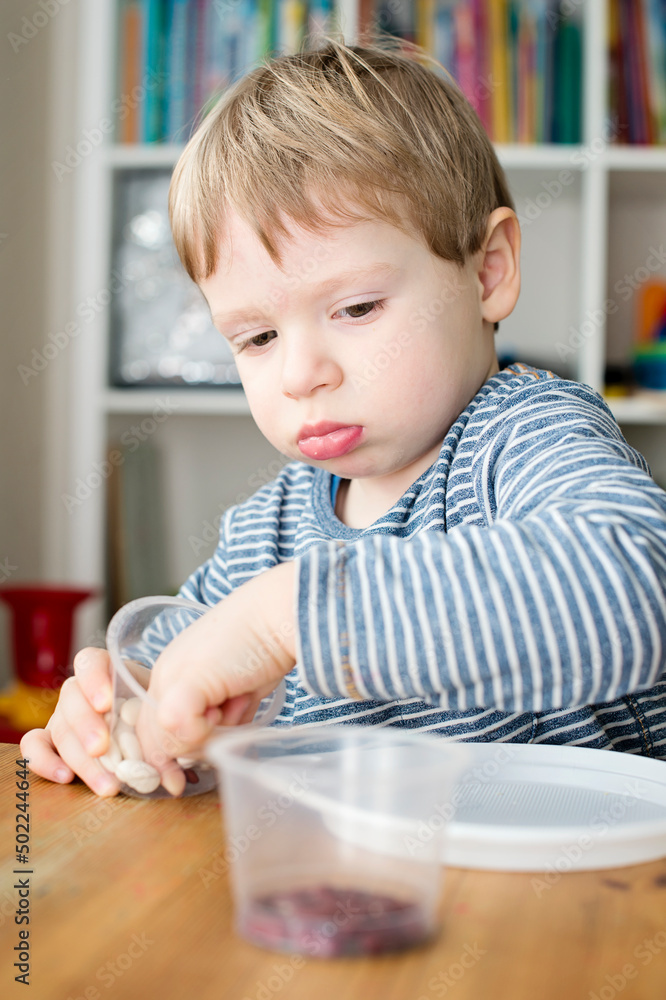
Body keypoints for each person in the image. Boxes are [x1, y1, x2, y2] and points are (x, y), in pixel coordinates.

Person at [22, 38, 666, 798]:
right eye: (257, 337)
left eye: (356, 307)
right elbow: (175, 678)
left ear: (488, 271)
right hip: (372, 900)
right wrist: (118, 713)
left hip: (584, 904)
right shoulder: (265, 537)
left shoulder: (524, 438)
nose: (300, 374)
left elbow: (635, 587)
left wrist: (284, 619)